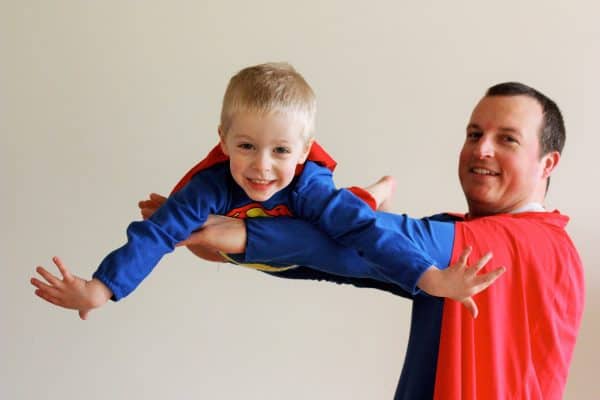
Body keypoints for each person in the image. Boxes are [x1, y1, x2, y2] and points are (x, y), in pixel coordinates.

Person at [149, 82, 585, 399]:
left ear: (548, 163)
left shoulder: (534, 243)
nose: (481, 149)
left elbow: (384, 240)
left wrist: (244, 234)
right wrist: (229, 246)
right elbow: (349, 259)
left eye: (506, 139)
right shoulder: (458, 238)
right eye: (474, 134)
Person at [30, 62, 503, 321]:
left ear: (302, 151)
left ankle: (377, 190)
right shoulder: (209, 187)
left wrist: (431, 278)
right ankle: (371, 192)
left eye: (280, 150)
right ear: (223, 140)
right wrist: (101, 288)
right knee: (303, 220)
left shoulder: (306, 183)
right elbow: (154, 235)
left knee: (348, 216)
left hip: (316, 209)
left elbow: (364, 234)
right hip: (264, 232)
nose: (261, 166)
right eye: (246, 147)